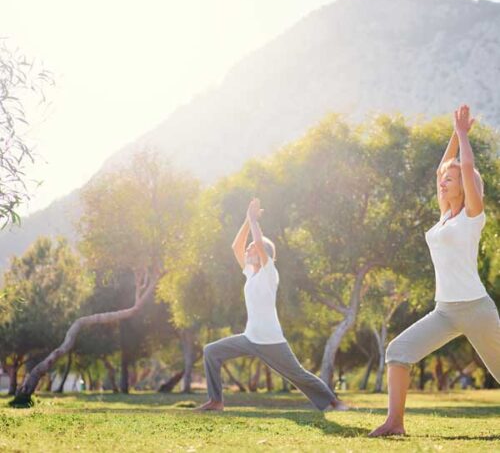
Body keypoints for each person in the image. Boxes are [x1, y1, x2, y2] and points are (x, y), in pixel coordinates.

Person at [369, 105, 500, 437]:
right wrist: (453, 141)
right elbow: (443, 169)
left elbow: (466, 167)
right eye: (443, 180)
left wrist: (464, 138)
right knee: (398, 351)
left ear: (467, 186)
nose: (443, 183)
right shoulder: (443, 216)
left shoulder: (472, 216)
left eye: (451, 180)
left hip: (476, 309)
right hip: (444, 311)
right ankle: (395, 423)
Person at [196, 198, 348, 412]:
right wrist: (247, 222)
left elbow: (258, 243)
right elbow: (235, 246)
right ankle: (216, 401)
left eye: (252, 249)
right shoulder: (250, 273)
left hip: (271, 339)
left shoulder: (269, 273)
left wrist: (254, 221)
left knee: (297, 374)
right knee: (211, 351)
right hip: (250, 338)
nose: (248, 251)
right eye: (249, 249)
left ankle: (334, 402)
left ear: (262, 254)